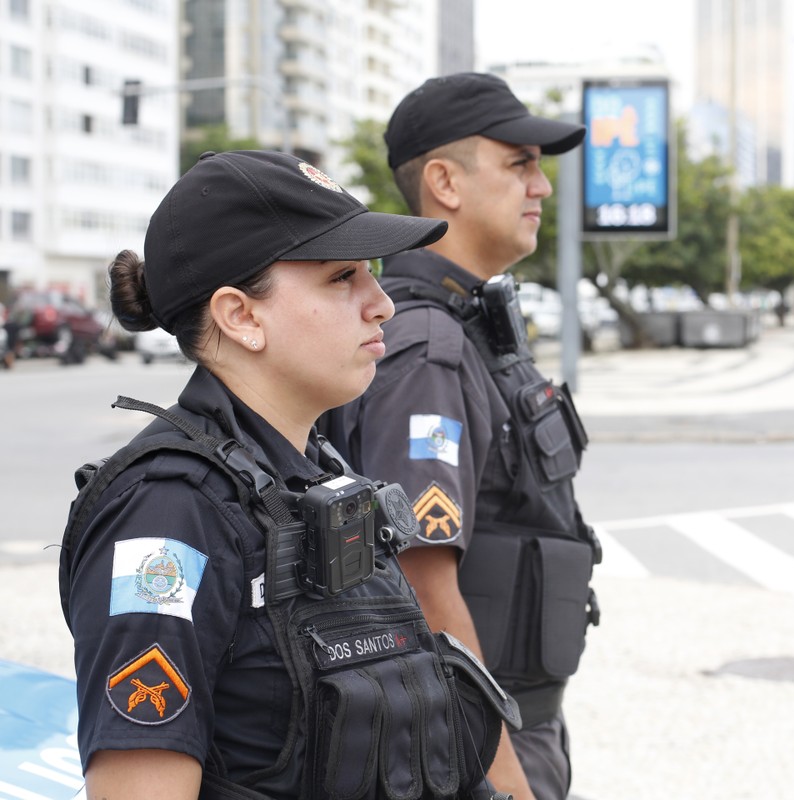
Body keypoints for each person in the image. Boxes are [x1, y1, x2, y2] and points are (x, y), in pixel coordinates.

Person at [58, 150, 520, 800]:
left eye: (372, 274)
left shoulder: (314, 475)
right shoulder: (167, 515)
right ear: (241, 316)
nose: (382, 304)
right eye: (342, 277)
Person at [320, 73, 601, 800]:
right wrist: (507, 783)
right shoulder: (428, 343)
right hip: (477, 740)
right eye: (520, 163)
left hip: (508, 720)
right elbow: (421, 580)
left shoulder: (465, 325)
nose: (541, 185)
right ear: (444, 182)